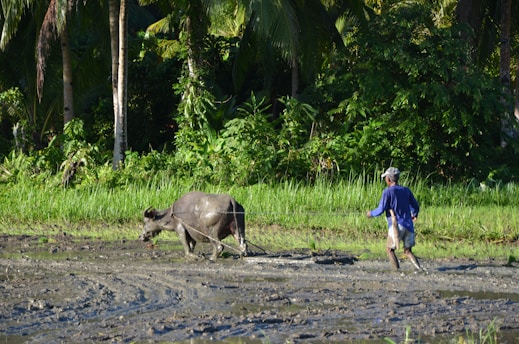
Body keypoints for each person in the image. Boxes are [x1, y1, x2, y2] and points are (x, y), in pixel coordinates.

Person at [366, 167, 422, 271]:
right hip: (409, 225)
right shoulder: (406, 190)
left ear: (388, 179)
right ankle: (420, 269)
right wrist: (414, 214)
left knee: (389, 249)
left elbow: (381, 209)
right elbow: (416, 206)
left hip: (396, 225)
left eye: (385, 178)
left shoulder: (387, 192)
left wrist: (370, 213)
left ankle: (397, 271)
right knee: (408, 251)